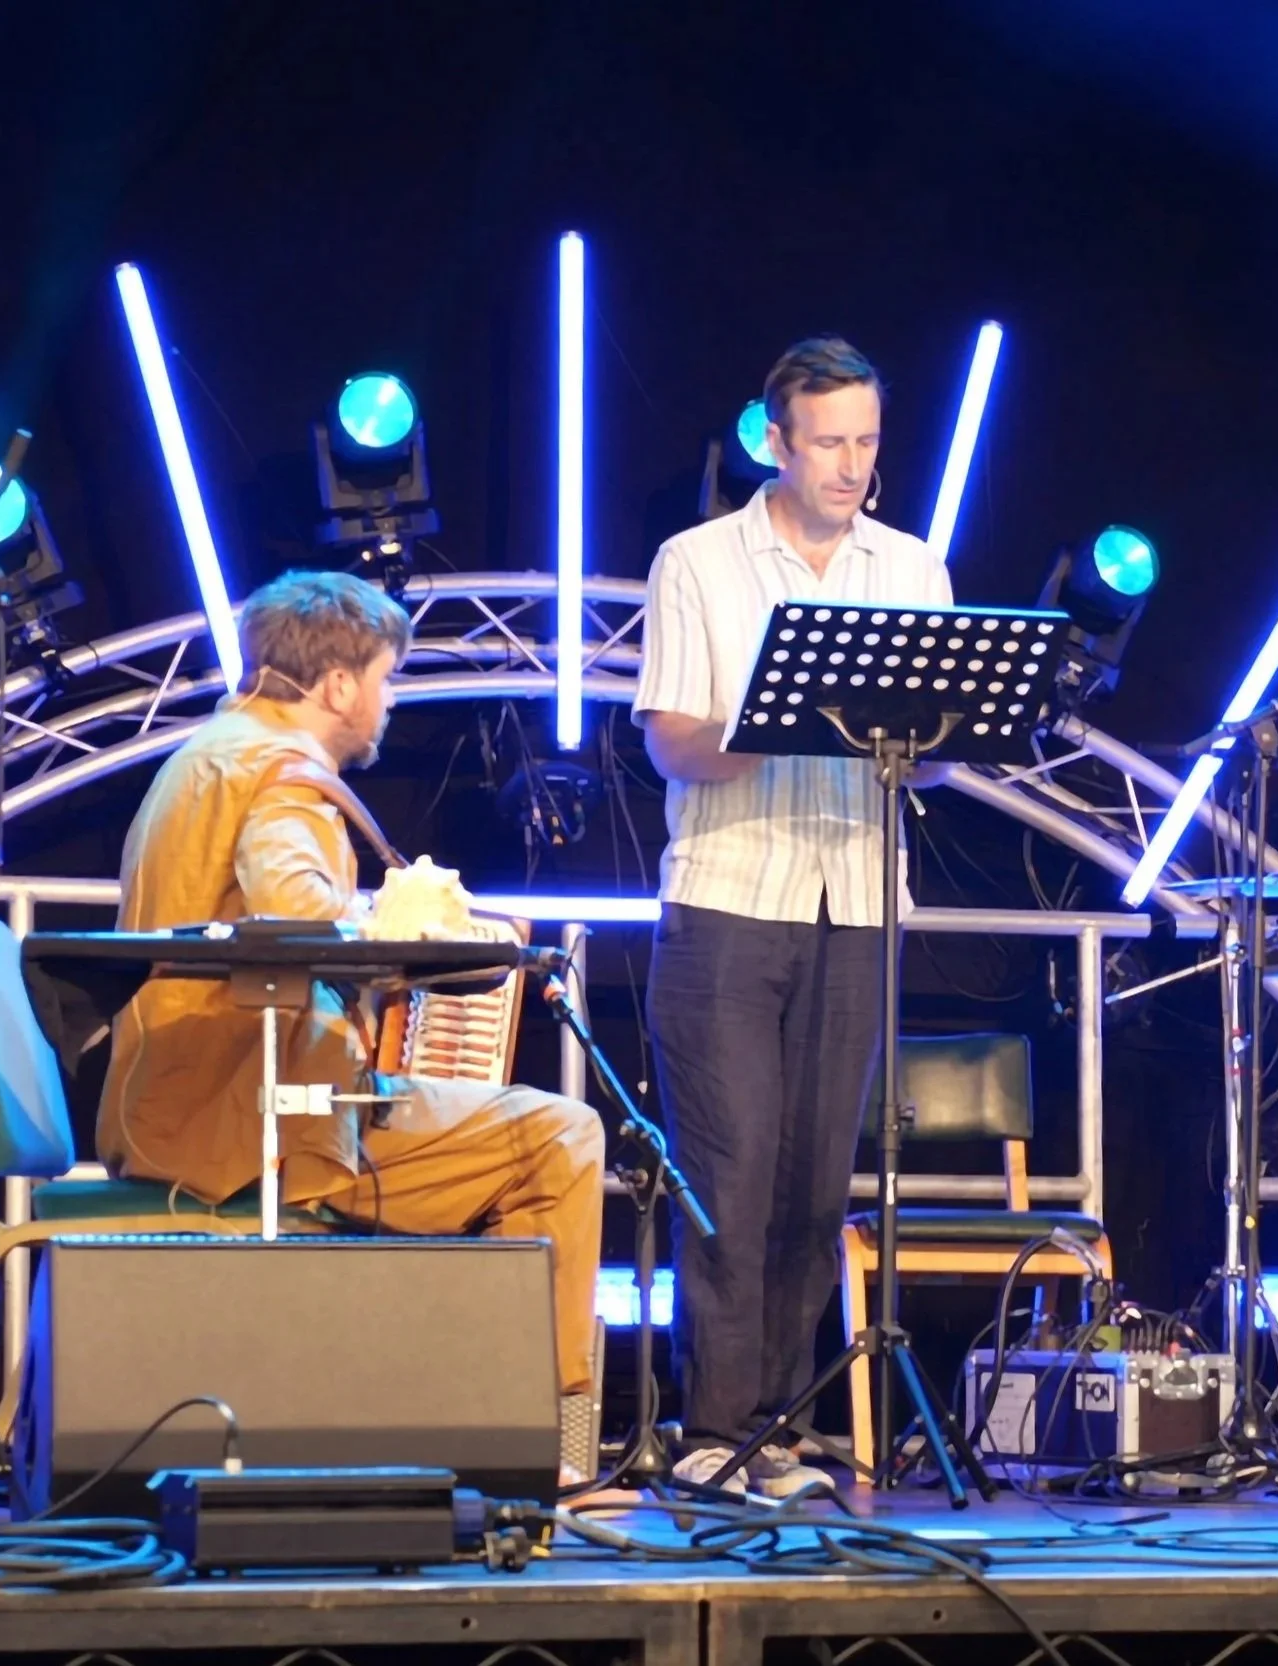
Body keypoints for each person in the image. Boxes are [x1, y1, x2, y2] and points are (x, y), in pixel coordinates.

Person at [96, 570, 608, 1477]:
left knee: (491, 1124)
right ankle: (548, 1442)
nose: (388, 700)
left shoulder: (209, 754)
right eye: (385, 678)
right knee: (559, 1136)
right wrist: (411, 926)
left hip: (176, 1106)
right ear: (337, 686)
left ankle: (457, 1430)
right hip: (253, 1125)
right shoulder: (285, 776)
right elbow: (296, 906)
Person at [634, 337, 953, 1495]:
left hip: (858, 898)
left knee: (819, 1179)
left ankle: (780, 1416)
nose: (852, 464)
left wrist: (937, 743)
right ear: (776, 440)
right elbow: (668, 734)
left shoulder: (913, 570)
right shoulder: (699, 561)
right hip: (729, 896)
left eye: (867, 440)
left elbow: (934, 761)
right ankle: (715, 1429)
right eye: (829, 441)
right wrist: (775, 719)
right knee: (732, 1168)